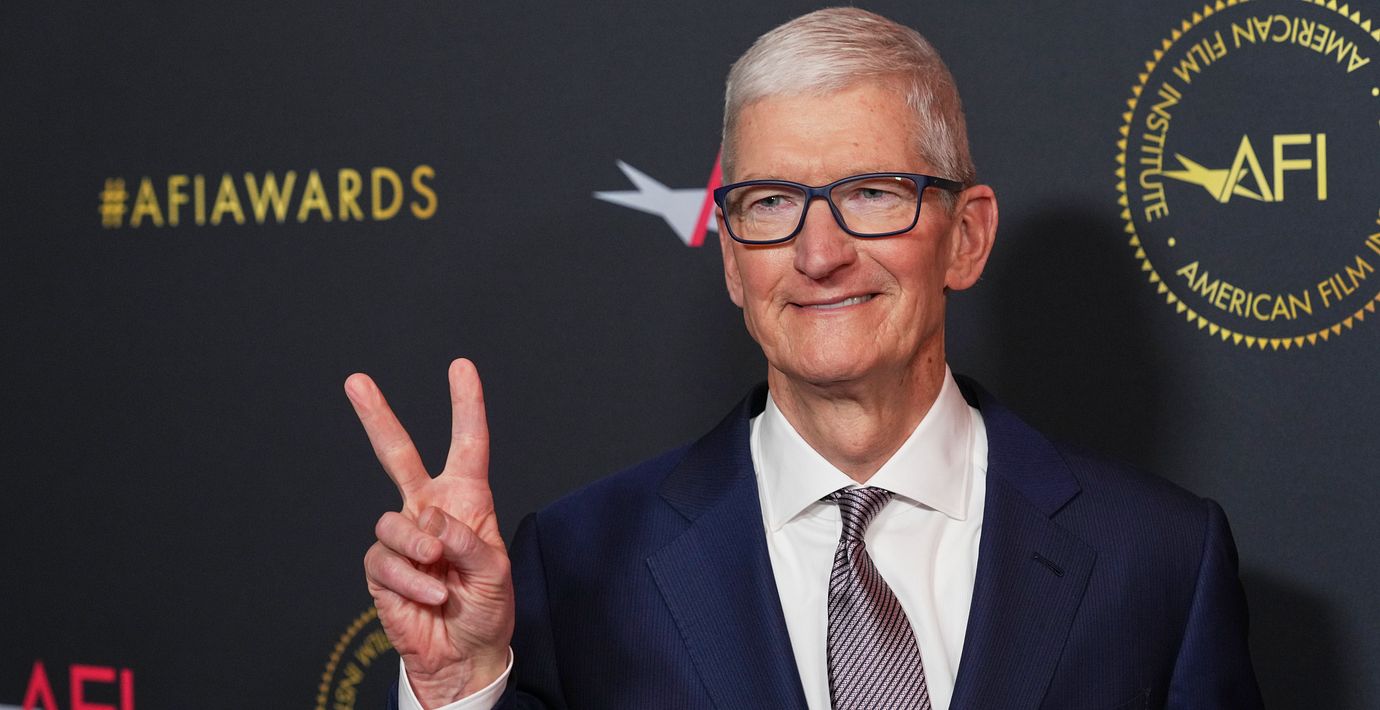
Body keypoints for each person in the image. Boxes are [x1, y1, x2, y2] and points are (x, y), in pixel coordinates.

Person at [347, 8, 1264, 709]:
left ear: (966, 237)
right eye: (772, 202)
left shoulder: (1159, 558)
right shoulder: (580, 562)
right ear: (732, 261)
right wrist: (459, 688)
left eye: (871, 194)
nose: (819, 253)